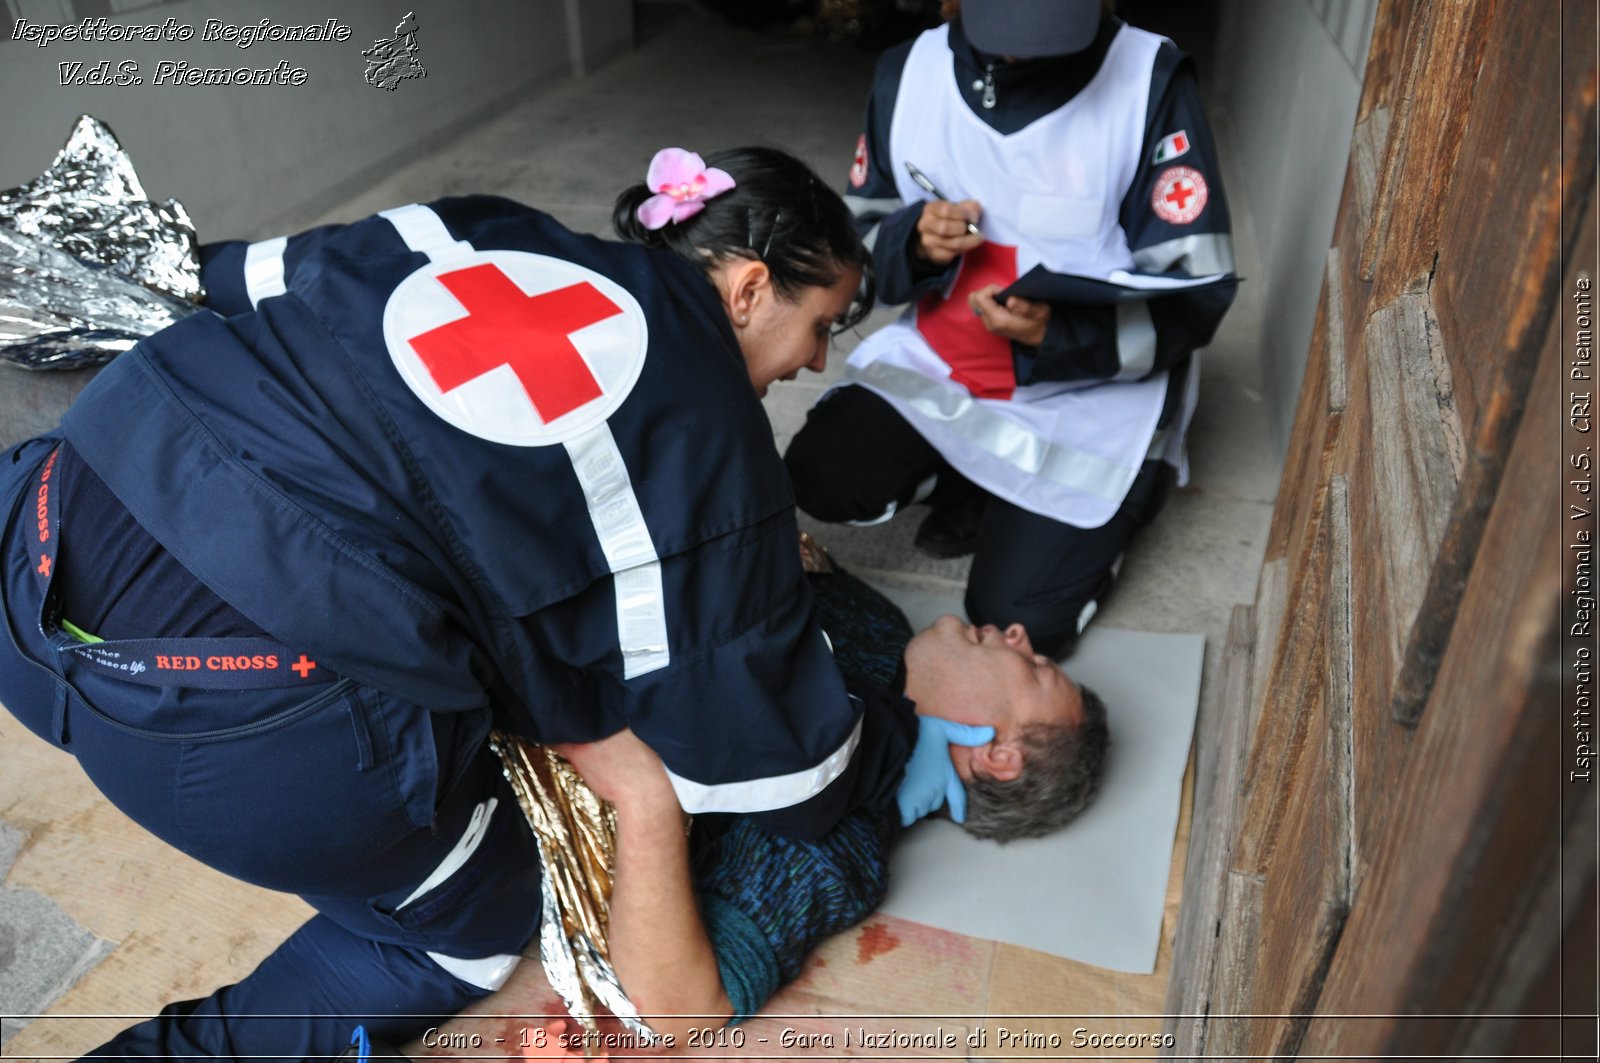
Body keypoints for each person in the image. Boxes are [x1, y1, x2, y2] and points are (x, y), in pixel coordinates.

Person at [0, 146, 976, 1060]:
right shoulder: (713, 455)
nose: (814, 363)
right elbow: (781, 780)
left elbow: (211, 273)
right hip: (222, 736)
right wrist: (899, 718)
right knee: (467, 930)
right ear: (751, 286)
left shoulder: (477, 228)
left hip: (39, 529)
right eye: (824, 324)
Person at [784, 0, 1239, 658]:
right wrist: (913, 242)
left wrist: (1057, 332)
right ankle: (971, 486)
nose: (1021, 52)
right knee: (823, 475)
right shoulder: (908, 71)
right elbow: (855, 246)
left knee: (1020, 621)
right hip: (945, 365)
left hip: (1093, 394)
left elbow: (1199, 289)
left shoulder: (1149, 80)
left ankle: (1128, 495)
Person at [554, 556, 1109, 1044]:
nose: (1018, 633)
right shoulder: (880, 623)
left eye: (1036, 668)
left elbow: (684, 1010)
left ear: (999, 755)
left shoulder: (837, 849)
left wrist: (645, 795)